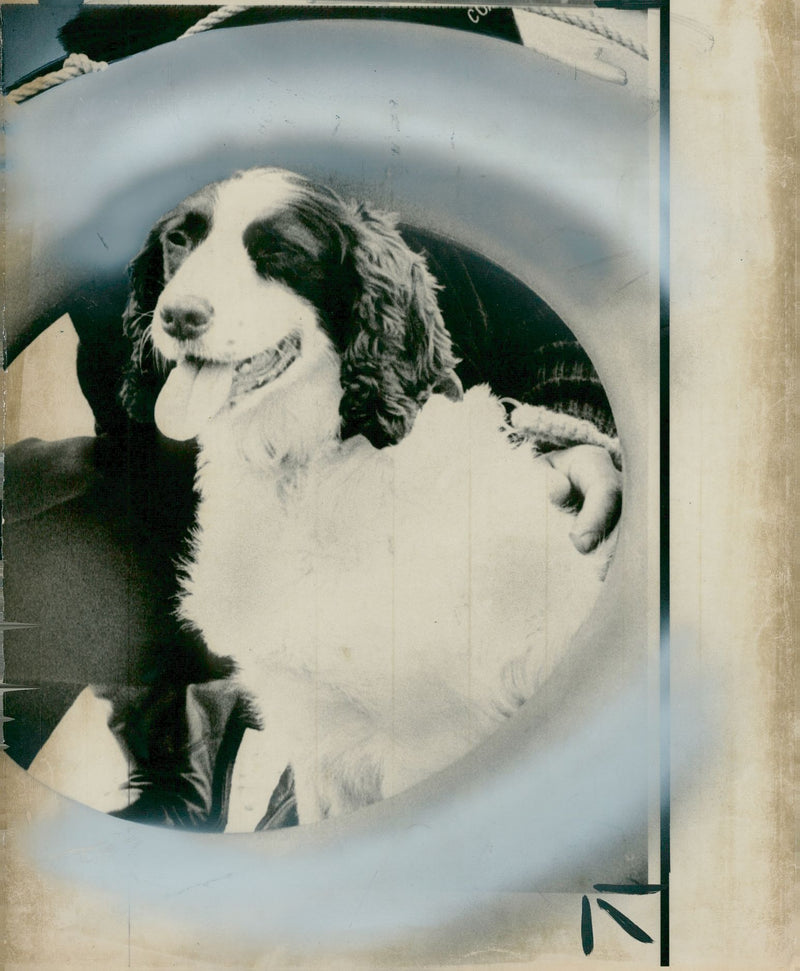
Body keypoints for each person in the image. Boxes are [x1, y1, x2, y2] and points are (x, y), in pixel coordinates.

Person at [3, 226, 621, 830]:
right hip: (180, 498)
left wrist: (571, 419)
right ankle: (171, 758)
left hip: (414, 497)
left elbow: (574, 277)